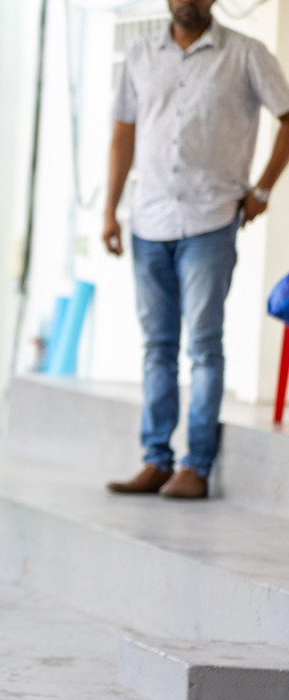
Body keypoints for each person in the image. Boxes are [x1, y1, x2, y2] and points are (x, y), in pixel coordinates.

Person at [103, 0, 289, 500]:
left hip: (211, 218)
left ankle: (196, 466)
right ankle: (155, 459)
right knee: (156, 347)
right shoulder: (141, 53)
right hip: (149, 220)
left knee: (204, 347)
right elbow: (123, 131)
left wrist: (264, 190)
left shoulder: (247, 54)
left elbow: (288, 118)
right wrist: (110, 210)